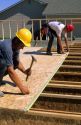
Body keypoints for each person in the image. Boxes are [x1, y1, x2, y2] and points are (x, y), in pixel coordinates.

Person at [0, 28, 32, 97]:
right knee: (3, 63)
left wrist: (25, 71)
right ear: (17, 41)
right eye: (22, 45)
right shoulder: (7, 47)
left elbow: (16, 62)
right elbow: (10, 70)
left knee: (13, 63)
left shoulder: (15, 47)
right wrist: (22, 87)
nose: (22, 48)